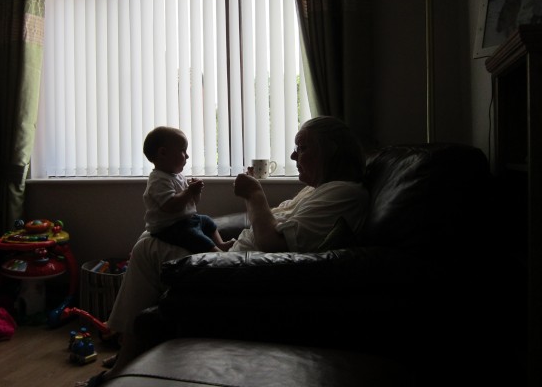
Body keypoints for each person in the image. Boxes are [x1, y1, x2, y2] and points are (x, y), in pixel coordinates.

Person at [75, 116, 369, 387]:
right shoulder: (316, 190)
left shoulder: (343, 193)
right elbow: (268, 223)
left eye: (302, 148)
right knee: (148, 240)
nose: (293, 156)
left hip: (243, 273)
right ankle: (130, 347)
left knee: (147, 247)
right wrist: (250, 201)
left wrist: (255, 193)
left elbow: (273, 243)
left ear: (330, 151)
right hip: (237, 261)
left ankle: (124, 358)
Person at [142, 126, 234, 253]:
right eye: (183, 151)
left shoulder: (178, 176)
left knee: (207, 221)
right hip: (168, 227)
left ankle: (220, 244)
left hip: (185, 220)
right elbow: (170, 206)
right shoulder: (158, 180)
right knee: (194, 235)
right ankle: (216, 252)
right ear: (163, 153)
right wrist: (189, 191)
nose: (187, 156)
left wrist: (195, 193)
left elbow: (192, 203)